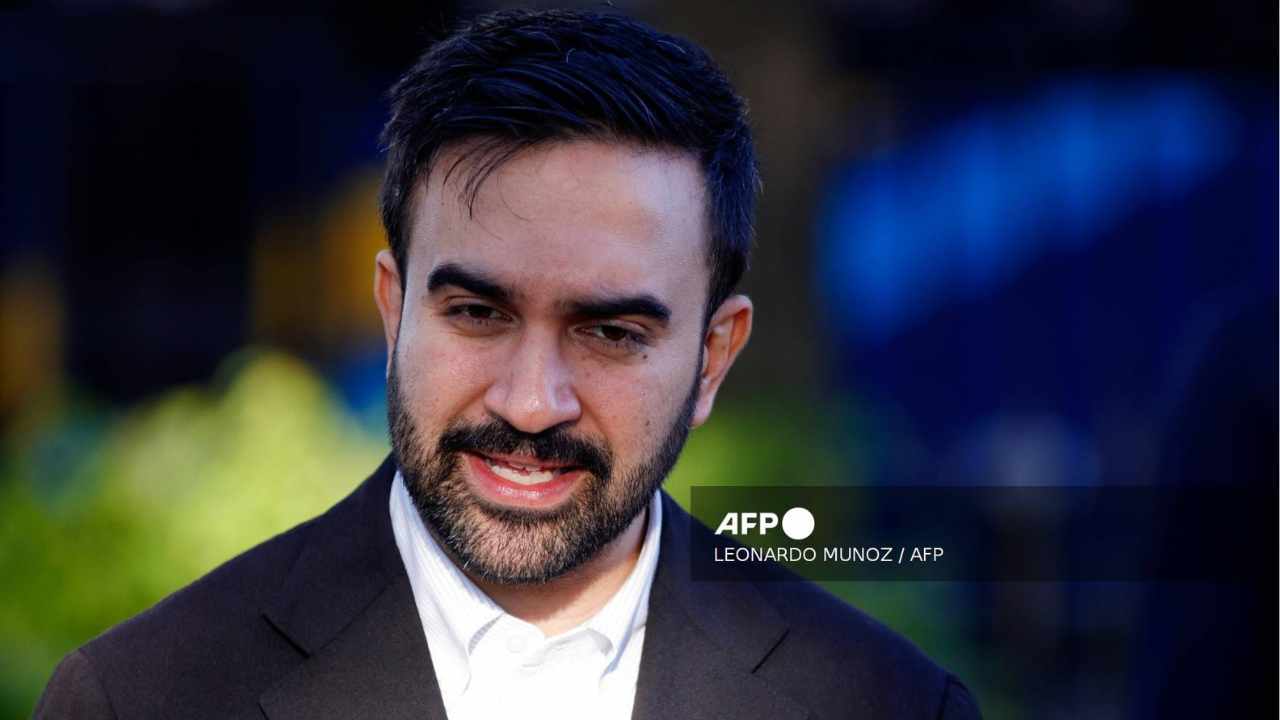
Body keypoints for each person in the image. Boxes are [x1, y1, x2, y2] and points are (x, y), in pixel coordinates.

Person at [36, 9, 980, 719]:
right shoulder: (136, 699)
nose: (531, 404)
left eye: (611, 333)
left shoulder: (895, 706)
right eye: (479, 314)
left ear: (712, 359)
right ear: (392, 308)